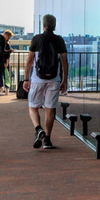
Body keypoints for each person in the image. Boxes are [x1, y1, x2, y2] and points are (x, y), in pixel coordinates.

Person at [22, 14, 67, 149]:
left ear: (43, 25)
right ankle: (47, 140)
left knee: (33, 107)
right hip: (54, 79)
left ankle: (38, 129)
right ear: (54, 26)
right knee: (50, 109)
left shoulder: (37, 39)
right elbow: (64, 61)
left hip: (37, 79)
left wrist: (26, 78)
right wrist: (64, 80)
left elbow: (30, 61)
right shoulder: (59, 40)